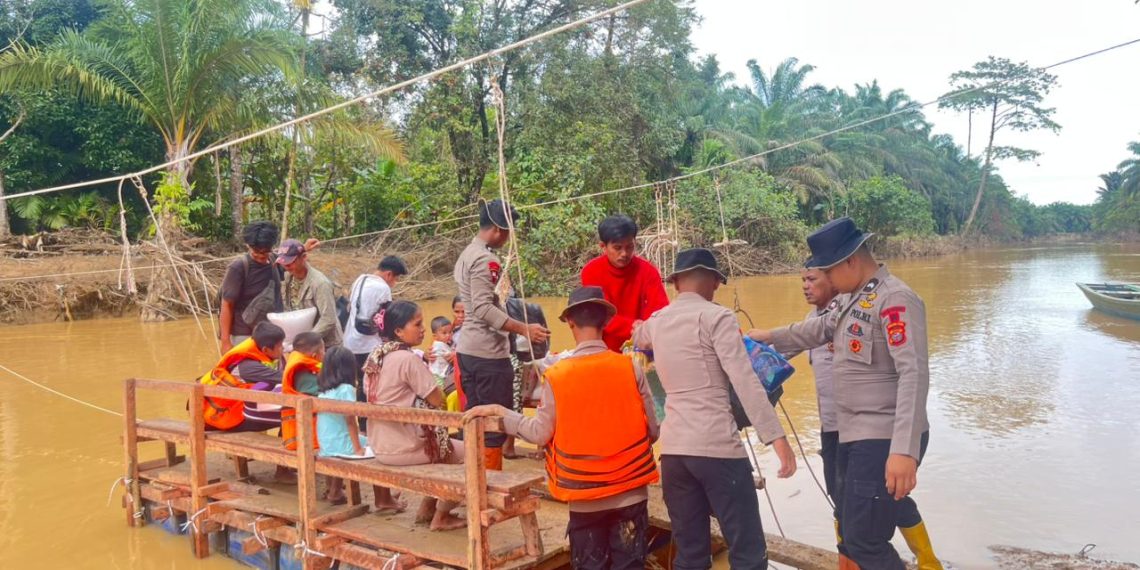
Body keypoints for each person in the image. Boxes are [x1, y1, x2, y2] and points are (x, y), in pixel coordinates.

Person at [749, 217, 937, 570]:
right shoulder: (852, 299)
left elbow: (913, 373)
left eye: (829, 272)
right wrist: (770, 336)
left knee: (865, 542)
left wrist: (904, 450)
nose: (828, 281)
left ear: (850, 261)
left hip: (884, 436)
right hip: (853, 435)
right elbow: (817, 328)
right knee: (851, 534)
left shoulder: (895, 299)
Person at [465, 286, 660, 569]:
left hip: (583, 497)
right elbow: (653, 431)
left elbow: (540, 433)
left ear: (569, 322)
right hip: (631, 492)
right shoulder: (631, 367)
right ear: (606, 321)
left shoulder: (557, 375)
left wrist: (501, 412)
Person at [632, 248, 796, 570]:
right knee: (748, 552)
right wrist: (777, 439)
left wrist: (639, 326)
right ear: (713, 281)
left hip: (675, 455)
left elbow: (638, 337)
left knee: (691, 555)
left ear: (676, 283)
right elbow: (745, 380)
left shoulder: (657, 322)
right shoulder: (718, 318)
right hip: (718, 449)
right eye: (717, 283)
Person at [798, 267, 943, 570]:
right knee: (846, 507)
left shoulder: (883, 300)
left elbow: (913, 372)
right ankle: (851, 563)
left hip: (874, 431)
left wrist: (904, 448)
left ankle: (928, 562)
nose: (806, 286)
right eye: (803, 280)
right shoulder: (824, 319)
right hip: (836, 429)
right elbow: (788, 343)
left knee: (882, 512)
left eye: (813, 279)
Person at [453, 199, 550, 470]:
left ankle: (473, 480)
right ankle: (487, 483)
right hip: (488, 356)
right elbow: (483, 308)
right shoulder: (486, 260)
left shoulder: (467, 254)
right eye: (508, 232)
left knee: (475, 420)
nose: (508, 239)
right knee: (493, 425)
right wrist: (524, 329)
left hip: (468, 352)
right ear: (498, 229)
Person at [363, 301, 465, 530]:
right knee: (472, 452)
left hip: (379, 444)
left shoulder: (375, 357)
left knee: (448, 449)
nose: (423, 329)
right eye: (417, 324)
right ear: (399, 331)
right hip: (404, 447)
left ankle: (427, 509)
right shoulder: (407, 359)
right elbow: (437, 399)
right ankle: (441, 516)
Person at [218, 221, 317, 353]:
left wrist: (303, 248)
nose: (260, 255)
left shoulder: (274, 261)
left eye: (265, 251)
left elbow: (290, 260)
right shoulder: (238, 268)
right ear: (248, 245)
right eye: (256, 251)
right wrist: (225, 342)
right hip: (245, 335)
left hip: (272, 335)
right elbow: (227, 304)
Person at [580, 215, 670, 353]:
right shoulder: (591, 271)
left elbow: (660, 311)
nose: (624, 253)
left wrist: (645, 328)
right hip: (605, 351)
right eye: (617, 248)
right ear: (603, 246)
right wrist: (634, 326)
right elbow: (598, 314)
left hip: (643, 348)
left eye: (629, 247)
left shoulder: (648, 271)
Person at [316, 346, 367, 505]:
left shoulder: (324, 390)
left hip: (326, 443)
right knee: (375, 443)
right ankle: (383, 497)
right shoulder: (346, 389)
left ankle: (334, 490)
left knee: (357, 440)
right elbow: (350, 421)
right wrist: (358, 449)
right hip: (341, 444)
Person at [344, 256, 409, 374]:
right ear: (389, 274)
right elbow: (387, 318)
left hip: (350, 342)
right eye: (396, 278)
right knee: (373, 379)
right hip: (369, 346)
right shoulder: (383, 288)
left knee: (356, 378)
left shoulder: (361, 279)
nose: (395, 283)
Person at [278, 239, 343, 349]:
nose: (286, 266)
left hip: (326, 345)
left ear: (304, 257)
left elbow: (328, 319)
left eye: (291, 262)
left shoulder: (320, 283)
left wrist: (306, 340)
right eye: (284, 263)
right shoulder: (288, 277)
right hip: (302, 342)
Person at [280, 331, 325, 451]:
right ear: (315, 355)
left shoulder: (297, 364)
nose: (325, 354)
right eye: (323, 351)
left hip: (297, 436)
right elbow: (323, 397)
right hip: (307, 440)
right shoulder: (305, 373)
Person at [428, 316, 455, 386]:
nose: (448, 335)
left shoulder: (442, 344)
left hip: (436, 375)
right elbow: (450, 357)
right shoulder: (439, 345)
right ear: (435, 336)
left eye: (450, 332)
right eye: (444, 333)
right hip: (438, 376)